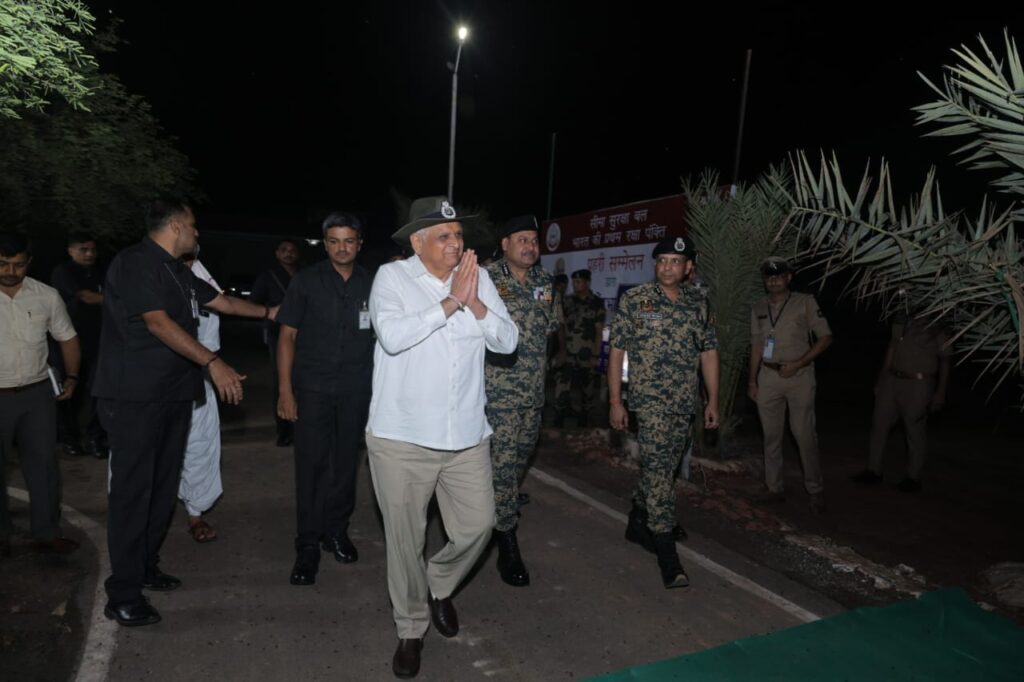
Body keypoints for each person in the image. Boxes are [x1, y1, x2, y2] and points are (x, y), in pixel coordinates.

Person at [93, 199, 275, 627]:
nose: (197, 232)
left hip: (173, 395)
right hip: (135, 397)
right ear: (175, 226)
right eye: (193, 225)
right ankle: (123, 593)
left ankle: (145, 566)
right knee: (133, 493)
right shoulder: (136, 263)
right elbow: (157, 323)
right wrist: (212, 362)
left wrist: (271, 312)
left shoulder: (179, 271)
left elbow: (223, 303)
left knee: (161, 488)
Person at [365, 196, 517, 678]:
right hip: (402, 438)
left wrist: (475, 302)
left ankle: (439, 584)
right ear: (417, 242)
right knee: (405, 542)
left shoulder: (478, 280)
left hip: (466, 436)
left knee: (479, 526)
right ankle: (411, 629)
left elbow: (508, 341)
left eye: (458, 235)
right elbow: (393, 337)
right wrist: (452, 302)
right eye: (444, 236)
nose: (456, 243)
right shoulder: (392, 278)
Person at [608, 236, 720, 589]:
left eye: (675, 261)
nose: (667, 267)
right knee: (659, 476)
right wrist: (615, 401)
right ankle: (666, 551)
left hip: (684, 405)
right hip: (649, 404)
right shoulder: (636, 300)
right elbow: (617, 351)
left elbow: (708, 353)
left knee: (664, 469)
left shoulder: (698, 304)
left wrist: (712, 401)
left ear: (688, 268)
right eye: (662, 260)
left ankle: (637, 520)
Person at [276, 212, 374, 586]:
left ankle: (336, 531)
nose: (341, 248)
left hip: (355, 390)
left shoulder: (374, 283)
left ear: (359, 244)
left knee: (345, 465)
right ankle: (307, 545)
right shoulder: (305, 281)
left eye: (348, 241)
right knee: (311, 466)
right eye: (334, 241)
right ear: (325, 244)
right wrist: (285, 391)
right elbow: (287, 337)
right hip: (312, 389)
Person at [484, 214, 560, 587]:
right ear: (505, 244)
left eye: (534, 240)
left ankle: (493, 508)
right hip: (495, 393)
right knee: (501, 465)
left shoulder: (545, 282)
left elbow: (551, 329)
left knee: (517, 461)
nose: (530, 246)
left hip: (532, 393)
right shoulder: (485, 279)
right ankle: (506, 541)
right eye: (522, 239)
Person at [0, 232, 82, 555]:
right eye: (3, 264)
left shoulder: (46, 296)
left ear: (29, 263)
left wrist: (72, 376)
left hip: (36, 395)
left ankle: (47, 532)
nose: (10, 271)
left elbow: (68, 337)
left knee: (44, 465)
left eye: (18, 265)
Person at [747, 256, 833, 513]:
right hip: (768, 376)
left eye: (779, 276)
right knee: (771, 435)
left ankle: (815, 489)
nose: (773, 280)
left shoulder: (804, 302)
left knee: (803, 434)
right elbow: (756, 346)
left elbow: (826, 337)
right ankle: (774, 487)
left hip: (799, 376)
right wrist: (752, 380)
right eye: (769, 276)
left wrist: (799, 363)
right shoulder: (758, 307)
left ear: (789, 277)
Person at [852, 313, 951, 492]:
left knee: (914, 429)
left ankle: (913, 477)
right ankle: (873, 470)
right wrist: (881, 379)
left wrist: (940, 392)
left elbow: (945, 360)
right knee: (879, 424)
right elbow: (892, 346)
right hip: (893, 378)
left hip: (919, 382)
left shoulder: (938, 323)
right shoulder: (902, 318)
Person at [177, 251, 225, 542]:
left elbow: (221, 309)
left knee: (199, 444)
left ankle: (195, 514)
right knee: (146, 450)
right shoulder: (142, 273)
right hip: (150, 380)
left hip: (198, 373)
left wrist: (267, 312)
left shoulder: (201, 279)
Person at [50, 232, 107, 458]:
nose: (90, 254)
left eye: (92, 249)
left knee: (96, 392)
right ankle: (69, 439)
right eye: (84, 249)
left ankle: (95, 439)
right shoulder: (63, 272)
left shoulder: (101, 272)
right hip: (67, 342)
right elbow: (84, 296)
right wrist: (115, 299)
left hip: (96, 341)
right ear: (71, 250)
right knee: (68, 392)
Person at [251, 239, 300, 447]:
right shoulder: (268, 277)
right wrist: (270, 312)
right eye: (284, 250)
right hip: (277, 333)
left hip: (303, 335)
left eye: (292, 250)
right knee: (282, 378)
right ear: (277, 254)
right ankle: (284, 430)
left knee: (302, 380)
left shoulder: (304, 275)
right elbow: (254, 302)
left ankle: (300, 428)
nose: (289, 253)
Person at [555, 269, 605, 426]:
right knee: (562, 385)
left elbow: (599, 331)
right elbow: (561, 325)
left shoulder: (596, 303)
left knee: (587, 387)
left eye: (579, 282)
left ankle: (585, 417)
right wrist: (561, 350)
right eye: (574, 282)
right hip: (568, 352)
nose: (575, 285)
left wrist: (595, 355)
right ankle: (560, 415)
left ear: (587, 282)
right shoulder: (567, 301)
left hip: (587, 354)